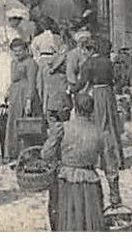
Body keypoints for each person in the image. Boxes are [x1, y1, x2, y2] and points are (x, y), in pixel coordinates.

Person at [41, 90, 106, 231]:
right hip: (91, 183)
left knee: (68, 220)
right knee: (90, 223)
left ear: (75, 109)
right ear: (92, 110)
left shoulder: (62, 128)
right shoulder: (99, 132)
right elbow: (107, 164)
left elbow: (46, 154)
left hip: (67, 182)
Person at [71, 37, 124, 208]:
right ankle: (118, 158)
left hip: (98, 95)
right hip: (108, 94)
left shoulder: (89, 64)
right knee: (111, 125)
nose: (84, 53)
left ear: (88, 50)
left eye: (85, 50)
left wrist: (71, 89)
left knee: (99, 126)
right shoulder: (107, 62)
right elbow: (116, 78)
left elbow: (82, 82)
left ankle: (103, 159)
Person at [4, 37, 40, 162]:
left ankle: (26, 154)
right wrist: (8, 92)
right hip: (15, 96)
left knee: (25, 124)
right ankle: (13, 152)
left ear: (25, 50)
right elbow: (13, 80)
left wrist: (29, 100)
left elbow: (32, 83)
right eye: (15, 51)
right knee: (13, 122)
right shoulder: (13, 62)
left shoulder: (31, 63)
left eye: (19, 50)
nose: (17, 53)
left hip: (25, 95)